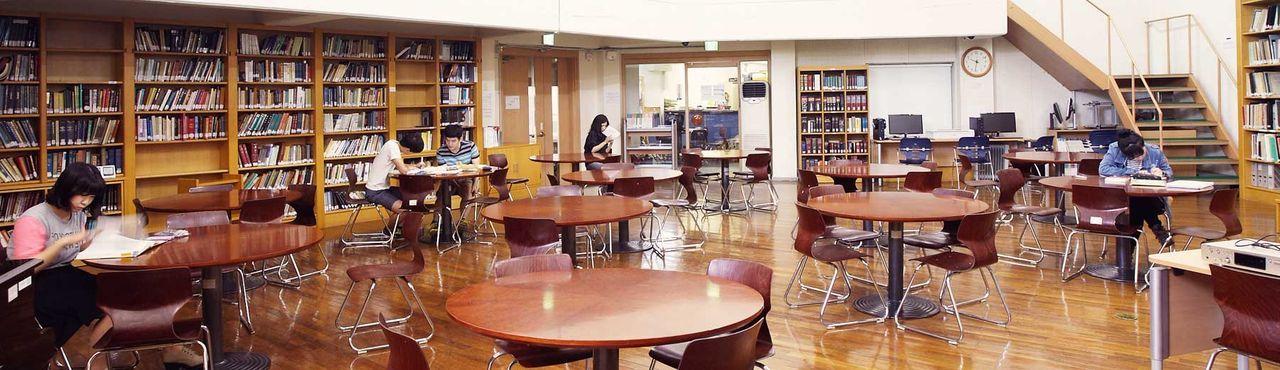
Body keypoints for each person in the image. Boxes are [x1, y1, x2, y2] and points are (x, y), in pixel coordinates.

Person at [7, 163, 200, 368]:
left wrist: (92, 239)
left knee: (134, 290)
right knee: (116, 300)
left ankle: (106, 355)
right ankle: (96, 360)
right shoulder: (33, 219)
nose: (85, 202)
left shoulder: (77, 213)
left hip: (66, 275)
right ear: (66, 188)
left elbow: (75, 249)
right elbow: (25, 270)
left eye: (91, 197)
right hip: (31, 288)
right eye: (82, 195)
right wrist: (63, 242)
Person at [1098, 128, 1173, 244]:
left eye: (1141, 153)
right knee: (1137, 202)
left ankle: (1129, 250)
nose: (1139, 158)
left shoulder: (1154, 151)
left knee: (1138, 202)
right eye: (1134, 157)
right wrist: (1133, 172)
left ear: (1144, 145)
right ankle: (1157, 228)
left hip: (1152, 199)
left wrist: (1162, 173)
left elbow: (1169, 172)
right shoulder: (1115, 149)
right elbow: (1103, 169)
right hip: (1121, 199)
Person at [365, 133, 427, 213]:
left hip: (385, 189)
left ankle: (399, 221)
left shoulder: (393, 143)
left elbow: (401, 165)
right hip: (375, 192)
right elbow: (404, 170)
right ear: (408, 150)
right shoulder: (393, 148)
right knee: (406, 210)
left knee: (414, 198)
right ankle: (397, 221)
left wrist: (415, 166)